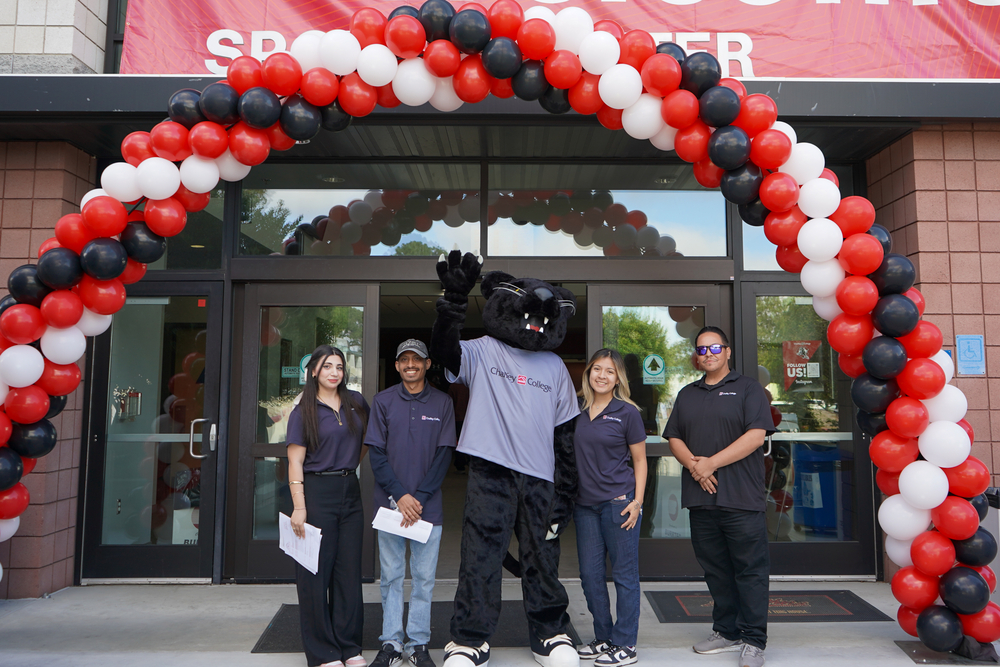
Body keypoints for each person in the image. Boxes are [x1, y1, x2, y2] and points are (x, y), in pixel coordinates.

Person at [663, 327, 775, 667]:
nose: (708, 353)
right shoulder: (687, 394)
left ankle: (754, 639)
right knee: (716, 569)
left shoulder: (748, 389)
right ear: (697, 356)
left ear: (727, 352)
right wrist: (697, 469)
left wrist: (710, 463)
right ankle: (726, 631)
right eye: (702, 349)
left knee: (749, 570)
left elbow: (756, 437)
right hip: (702, 500)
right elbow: (675, 438)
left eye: (714, 347)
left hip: (741, 498)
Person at [367, 339, 457, 667]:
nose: (410, 365)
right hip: (390, 507)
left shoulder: (443, 403)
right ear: (396, 366)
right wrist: (400, 497)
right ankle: (391, 642)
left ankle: (417, 644)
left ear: (427, 364)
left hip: (426, 508)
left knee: (424, 579)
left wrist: (417, 499)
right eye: (403, 359)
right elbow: (376, 454)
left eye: (416, 360)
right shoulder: (383, 401)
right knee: (390, 577)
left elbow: (444, 453)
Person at [287, 345, 370, 667]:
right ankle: (323, 653)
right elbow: (294, 460)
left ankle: (349, 647)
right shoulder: (303, 410)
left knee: (348, 573)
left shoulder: (356, 403)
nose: (334, 372)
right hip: (315, 491)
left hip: (349, 489)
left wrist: (347, 467)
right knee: (314, 574)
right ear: (314, 372)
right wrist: (300, 506)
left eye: (339, 366)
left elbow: (365, 441)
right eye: (327, 367)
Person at [573, 349, 647, 667]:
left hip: (619, 503)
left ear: (619, 379)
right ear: (589, 372)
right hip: (584, 505)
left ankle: (625, 642)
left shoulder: (627, 412)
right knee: (590, 576)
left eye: (610, 371)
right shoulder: (576, 408)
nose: (602, 376)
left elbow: (641, 461)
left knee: (624, 575)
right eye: (597, 369)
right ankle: (603, 637)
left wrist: (637, 502)